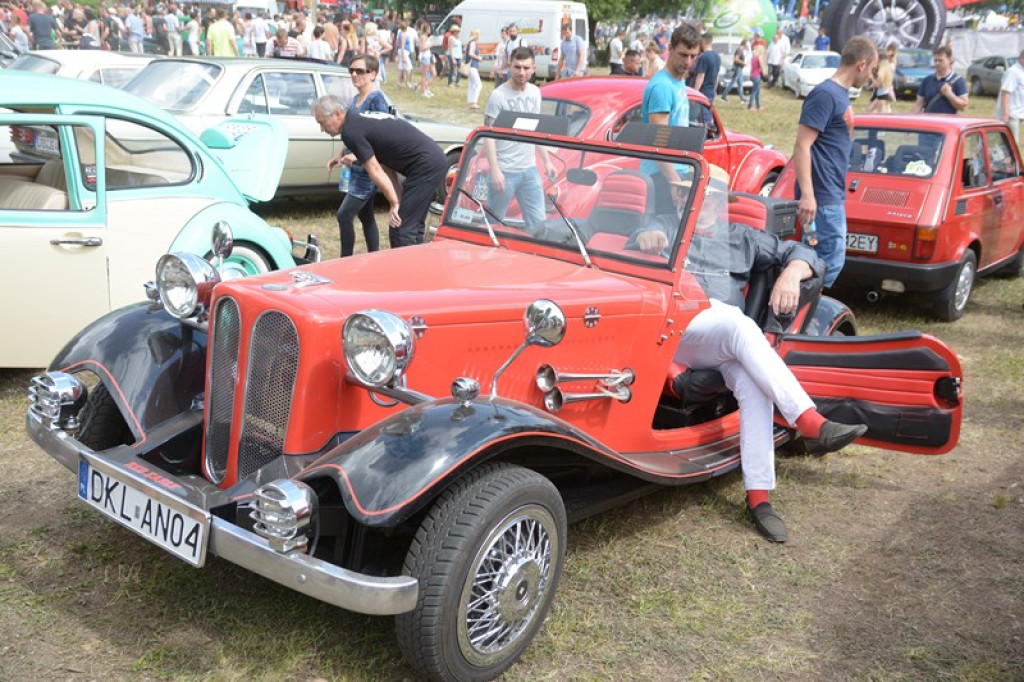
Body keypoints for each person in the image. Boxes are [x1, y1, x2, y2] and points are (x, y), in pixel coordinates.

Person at [630, 167, 869, 543]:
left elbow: (805, 253)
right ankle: (809, 422)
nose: (697, 203)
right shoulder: (665, 226)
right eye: (688, 195)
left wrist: (791, 273)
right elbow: (632, 244)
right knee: (738, 324)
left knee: (751, 380)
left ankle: (759, 497)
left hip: (722, 343)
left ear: (720, 203)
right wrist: (644, 239)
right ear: (679, 199)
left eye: (708, 197)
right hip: (675, 335)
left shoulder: (743, 238)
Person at [793, 36, 878, 288]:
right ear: (861, 64)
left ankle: (802, 302)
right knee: (828, 260)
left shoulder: (840, 95)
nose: (871, 76)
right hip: (821, 198)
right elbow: (802, 145)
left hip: (830, 194)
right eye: (872, 69)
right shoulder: (825, 95)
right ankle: (800, 301)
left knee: (817, 256)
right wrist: (808, 196)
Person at [316, 94, 446, 248]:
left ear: (337, 114)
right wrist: (397, 199)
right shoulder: (358, 121)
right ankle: (419, 261)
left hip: (426, 165)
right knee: (412, 226)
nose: (322, 129)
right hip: (432, 160)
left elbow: (375, 170)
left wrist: (394, 204)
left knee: (400, 228)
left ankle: (406, 264)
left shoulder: (351, 131)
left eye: (322, 122)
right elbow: (385, 167)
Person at [483, 46, 558, 232]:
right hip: (505, 170)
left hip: (529, 169)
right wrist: (495, 170)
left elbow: (536, 129)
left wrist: (546, 161)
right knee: (493, 224)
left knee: (539, 225)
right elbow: (488, 135)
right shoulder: (498, 96)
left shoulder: (535, 92)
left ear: (533, 69)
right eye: (517, 67)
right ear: (509, 66)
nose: (521, 72)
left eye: (526, 68)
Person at [331, 54, 387, 258]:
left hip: (367, 171)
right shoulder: (355, 99)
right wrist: (339, 154)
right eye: (351, 71)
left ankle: (345, 259)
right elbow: (351, 133)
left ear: (373, 74)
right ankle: (375, 257)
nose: (354, 74)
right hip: (356, 170)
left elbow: (381, 136)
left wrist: (356, 156)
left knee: (344, 215)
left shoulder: (376, 98)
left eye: (360, 71)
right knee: (366, 216)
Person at [642, 22, 700, 214]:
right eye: (683, 55)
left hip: (675, 174)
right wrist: (674, 181)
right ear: (670, 49)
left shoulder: (678, 81)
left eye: (693, 56)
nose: (688, 62)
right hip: (661, 177)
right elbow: (658, 143)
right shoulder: (663, 87)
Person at [913, 45, 969, 114]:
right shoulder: (927, 80)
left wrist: (950, 95)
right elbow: (919, 103)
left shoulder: (959, 81)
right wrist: (915, 117)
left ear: (949, 60)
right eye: (935, 60)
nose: (937, 63)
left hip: (947, 120)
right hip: (929, 119)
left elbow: (963, 106)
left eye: (940, 60)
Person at [999, 50, 1024, 142]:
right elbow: (1006, 93)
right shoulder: (1013, 72)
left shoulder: (1021, 72)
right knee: (1011, 144)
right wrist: (1006, 115)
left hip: (1019, 114)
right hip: (1011, 115)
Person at [690, 31, 721, 106]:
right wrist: (715, 89)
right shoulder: (717, 56)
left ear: (703, 41)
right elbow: (717, 75)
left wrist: (695, 93)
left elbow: (701, 75)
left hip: (703, 92)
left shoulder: (704, 56)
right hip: (711, 91)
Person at [721, 39, 749, 103]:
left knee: (740, 84)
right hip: (738, 69)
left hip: (739, 69)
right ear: (744, 45)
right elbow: (736, 59)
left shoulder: (740, 50)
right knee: (732, 83)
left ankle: (742, 99)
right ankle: (723, 96)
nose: (747, 47)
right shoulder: (739, 50)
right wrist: (743, 63)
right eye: (747, 45)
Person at [465, 28, 483, 109]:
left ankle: (471, 101)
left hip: (470, 66)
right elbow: (471, 53)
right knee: (478, 84)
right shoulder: (473, 43)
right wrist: (478, 57)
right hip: (472, 66)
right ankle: (474, 102)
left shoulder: (470, 42)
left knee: (472, 84)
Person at [417, 23, 434, 98]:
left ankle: (426, 89)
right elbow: (422, 48)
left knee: (428, 74)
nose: (430, 30)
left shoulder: (426, 37)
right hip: (425, 57)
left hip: (427, 56)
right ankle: (423, 91)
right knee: (424, 75)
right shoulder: (423, 37)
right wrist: (431, 45)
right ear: (426, 29)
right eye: (429, 28)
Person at [748, 44, 765, 111]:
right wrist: (764, 74)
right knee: (754, 91)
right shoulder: (759, 57)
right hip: (757, 75)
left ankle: (758, 105)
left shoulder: (753, 57)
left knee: (757, 91)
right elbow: (761, 67)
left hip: (752, 75)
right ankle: (750, 106)